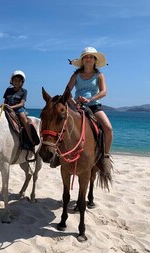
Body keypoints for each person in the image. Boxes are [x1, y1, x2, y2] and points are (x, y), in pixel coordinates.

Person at [66, 46, 113, 174]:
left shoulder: (99, 75)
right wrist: (74, 102)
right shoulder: (76, 74)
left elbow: (104, 92)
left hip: (94, 105)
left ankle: (105, 156)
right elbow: (67, 91)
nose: (88, 59)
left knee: (108, 128)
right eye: (86, 57)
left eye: (91, 57)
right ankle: (58, 156)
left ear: (95, 60)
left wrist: (90, 99)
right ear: (82, 60)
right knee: (61, 124)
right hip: (77, 106)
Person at [3, 70, 35, 149]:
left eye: (19, 81)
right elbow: (5, 101)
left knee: (23, 117)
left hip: (18, 109)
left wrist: (10, 107)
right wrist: (4, 106)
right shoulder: (8, 90)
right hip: (7, 108)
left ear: (22, 82)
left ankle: (30, 138)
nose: (17, 82)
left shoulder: (24, 91)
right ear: (12, 81)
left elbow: (21, 104)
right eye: (15, 80)